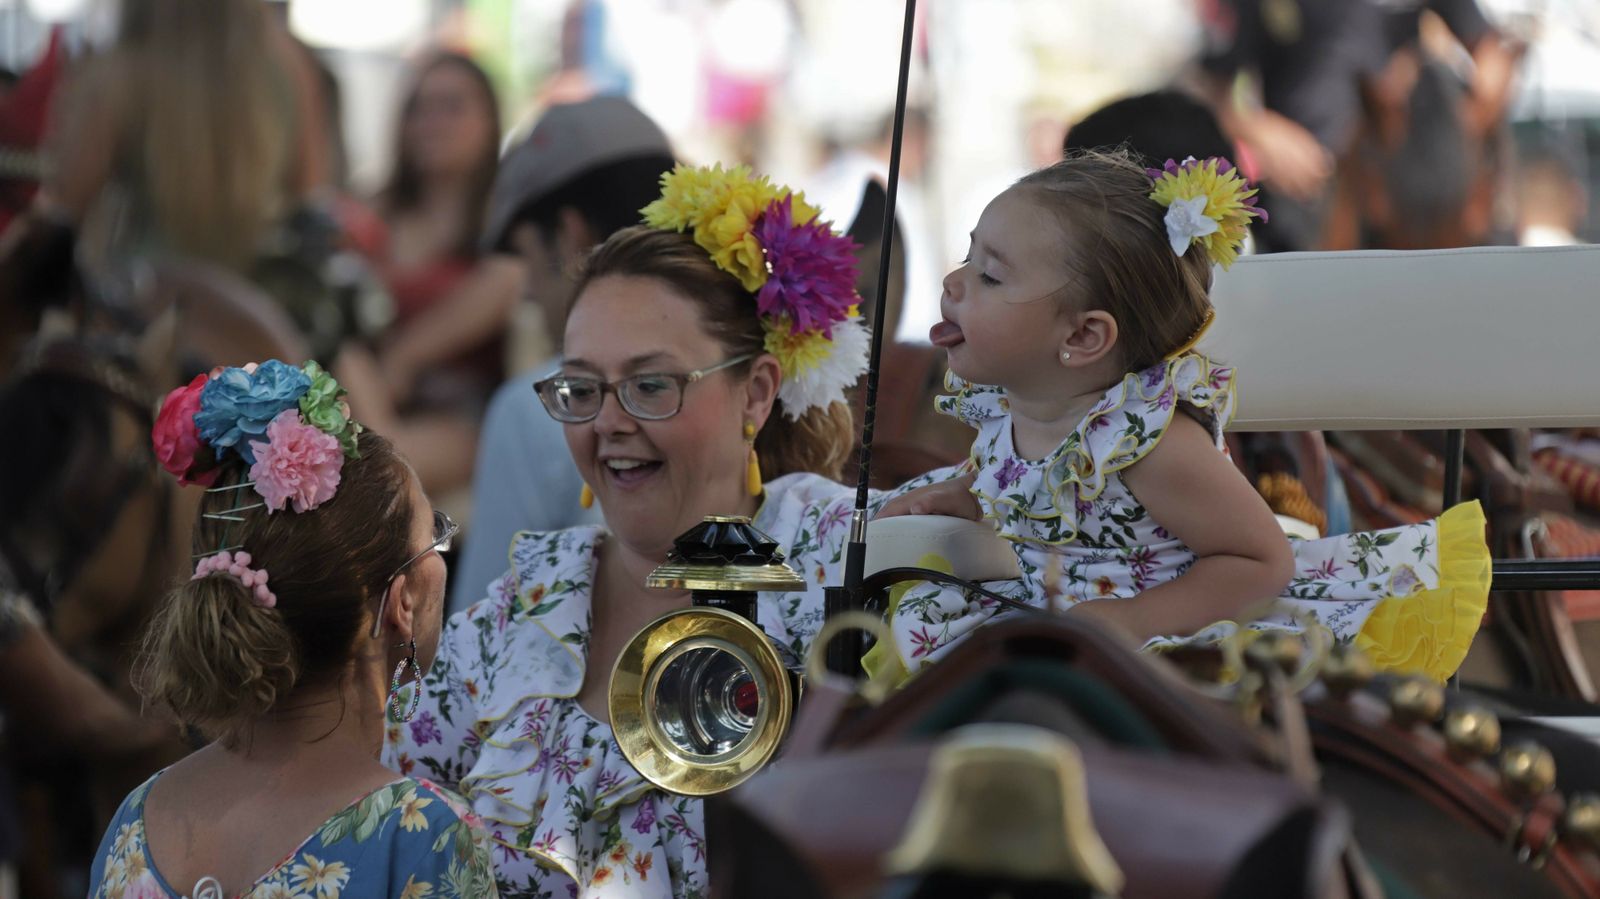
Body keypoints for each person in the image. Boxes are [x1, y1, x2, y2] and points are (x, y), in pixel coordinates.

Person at [386, 165, 945, 896]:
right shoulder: (533, 593)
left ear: (756, 392)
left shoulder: (838, 552)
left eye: (651, 385)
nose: (610, 421)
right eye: (583, 388)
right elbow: (385, 797)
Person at [871, 151, 1490, 684]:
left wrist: (1134, 620)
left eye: (989, 275)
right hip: (1047, 615)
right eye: (967, 257)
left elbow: (1259, 560)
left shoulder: (1147, 442)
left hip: (1164, 631)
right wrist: (965, 495)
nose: (953, 283)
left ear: (1084, 336)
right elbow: (1029, 495)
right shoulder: (1012, 405)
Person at [87, 360, 496, 898]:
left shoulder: (136, 821)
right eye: (434, 536)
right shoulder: (422, 835)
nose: (442, 553)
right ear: (402, 600)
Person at [449, 96, 676, 613]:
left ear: (569, 234)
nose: (526, 293)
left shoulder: (533, 406)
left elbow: (478, 624)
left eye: (527, 260)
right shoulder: (749, 368)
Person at [365, 51, 522, 408]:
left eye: (451, 106)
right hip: (364, 399)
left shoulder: (508, 222)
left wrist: (403, 358)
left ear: (489, 121)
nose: (431, 122)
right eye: (418, 108)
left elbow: (507, 284)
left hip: (463, 412)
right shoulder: (372, 212)